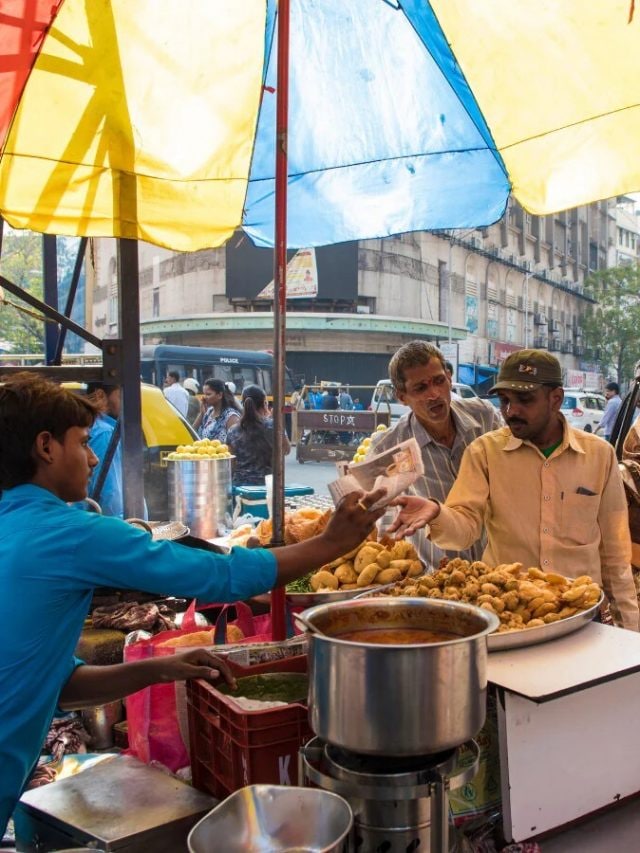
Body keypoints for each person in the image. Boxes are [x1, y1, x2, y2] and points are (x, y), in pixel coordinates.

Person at [0, 373, 385, 836]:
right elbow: (217, 577)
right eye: (82, 443)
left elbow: (58, 687)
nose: (94, 456)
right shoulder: (67, 533)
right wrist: (330, 543)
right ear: (46, 447)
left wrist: (166, 668)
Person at [389, 349, 639, 631]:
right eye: (505, 400)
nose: (511, 411)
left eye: (525, 400)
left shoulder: (599, 456)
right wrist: (437, 513)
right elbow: (465, 526)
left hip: (580, 615)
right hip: (509, 615)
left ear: (555, 398)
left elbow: (616, 556)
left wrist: (631, 635)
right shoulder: (485, 453)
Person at [370, 340, 501, 570]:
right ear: (402, 397)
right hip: (435, 581)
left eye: (439, 381)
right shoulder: (390, 447)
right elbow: (383, 526)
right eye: (420, 388)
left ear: (449, 377)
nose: (434, 394)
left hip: (494, 573)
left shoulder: (484, 417)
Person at [227, 385, 291, 486]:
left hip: (241, 487)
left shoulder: (232, 430)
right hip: (267, 485)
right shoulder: (273, 426)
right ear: (264, 403)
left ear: (243, 404)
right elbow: (286, 449)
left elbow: (231, 464)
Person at [83, 381, 124, 517]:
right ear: (100, 395)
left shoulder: (92, 426)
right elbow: (110, 498)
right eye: (120, 397)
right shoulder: (104, 433)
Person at [193, 378, 241, 444]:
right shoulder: (209, 412)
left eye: (208, 394)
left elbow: (236, 443)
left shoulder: (231, 416)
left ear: (220, 395)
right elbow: (192, 432)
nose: (204, 397)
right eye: (204, 394)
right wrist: (201, 414)